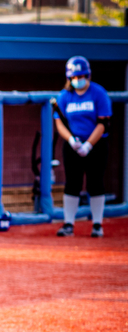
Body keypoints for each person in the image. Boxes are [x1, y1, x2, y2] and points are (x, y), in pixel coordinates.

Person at [54, 55, 113, 238]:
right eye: (74, 77)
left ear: (88, 75)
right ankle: (69, 223)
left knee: (95, 182)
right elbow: (60, 122)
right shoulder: (65, 96)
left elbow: (103, 123)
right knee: (72, 183)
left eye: (81, 77)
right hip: (73, 144)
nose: (78, 81)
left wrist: (88, 145)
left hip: (95, 144)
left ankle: (97, 224)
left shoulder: (98, 93)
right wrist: (72, 140)